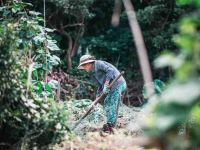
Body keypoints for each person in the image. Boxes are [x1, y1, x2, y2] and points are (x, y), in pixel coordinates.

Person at [77, 54, 127, 134]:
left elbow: (110, 71)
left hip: (118, 83)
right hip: (111, 87)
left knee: (110, 101)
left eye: (84, 66)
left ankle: (110, 125)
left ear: (89, 63)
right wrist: (95, 100)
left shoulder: (99, 64)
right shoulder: (92, 73)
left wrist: (106, 84)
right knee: (107, 102)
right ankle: (110, 123)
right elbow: (100, 86)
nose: (84, 68)